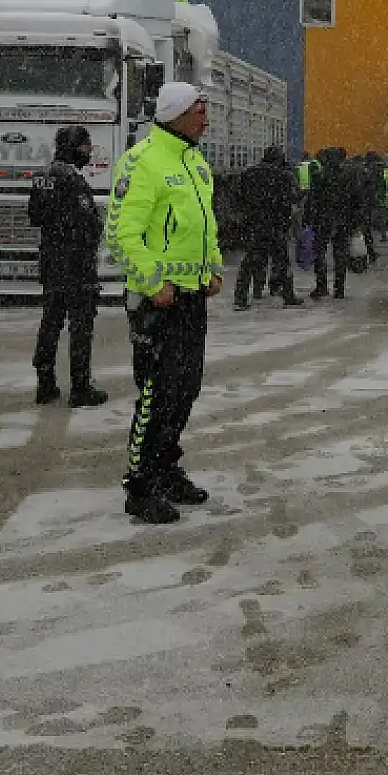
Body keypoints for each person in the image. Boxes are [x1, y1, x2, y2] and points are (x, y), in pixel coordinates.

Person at [108, 81, 224, 525]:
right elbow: (122, 234)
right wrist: (153, 282)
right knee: (156, 393)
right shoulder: (142, 161)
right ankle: (139, 486)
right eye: (199, 110)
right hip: (157, 301)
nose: (206, 119)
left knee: (185, 389)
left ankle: (167, 469)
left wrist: (214, 268)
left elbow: (206, 226)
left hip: (192, 297)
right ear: (176, 113)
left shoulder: (195, 162)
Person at [27, 125, 107, 407]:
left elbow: (34, 216)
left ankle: (45, 382)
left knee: (51, 321)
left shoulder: (42, 176)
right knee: (80, 326)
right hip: (76, 263)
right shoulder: (73, 180)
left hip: (51, 260)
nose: (88, 152)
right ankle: (80, 387)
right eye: (85, 147)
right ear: (74, 147)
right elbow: (89, 224)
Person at [234, 146, 303, 311]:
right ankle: (288, 295)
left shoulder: (249, 173)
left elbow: (239, 197)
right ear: (279, 159)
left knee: (249, 262)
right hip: (276, 225)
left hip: (255, 225)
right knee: (282, 262)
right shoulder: (284, 175)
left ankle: (240, 298)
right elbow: (293, 197)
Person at [308, 146, 362, 299]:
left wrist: (309, 219)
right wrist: (356, 220)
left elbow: (313, 200)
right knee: (340, 255)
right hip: (343, 220)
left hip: (322, 220)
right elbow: (356, 199)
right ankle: (339, 289)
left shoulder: (319, 176)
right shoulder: (349, 176)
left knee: (320, 254)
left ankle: (321, 286)